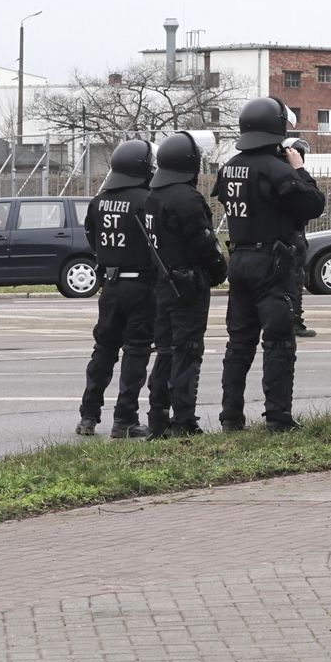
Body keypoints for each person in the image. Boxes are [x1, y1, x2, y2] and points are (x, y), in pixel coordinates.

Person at [216, 98, 325, 432]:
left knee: (238, 343)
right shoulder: (277, 168)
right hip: (272, 264)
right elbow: (313, 205)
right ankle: (278, 418)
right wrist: (300, 169)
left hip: (240, 259)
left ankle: (231, 416)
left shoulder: (230, 165)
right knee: (278, 341)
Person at [144, 130, 225, 439]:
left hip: (164, 284)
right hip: (188, 285)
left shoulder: (154, 195)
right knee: (187, 351)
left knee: (165, 350)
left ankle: (158, 417)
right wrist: (218, 269)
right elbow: (204, 242)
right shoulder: (185, 198)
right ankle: (184, 420)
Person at [76, 140, 159, 439]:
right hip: (140, 285)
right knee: (136, 352)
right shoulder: (147, 199)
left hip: (110, 287)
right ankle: (125, 420)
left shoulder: (99, 201)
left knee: (103, 350)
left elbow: (92, 237)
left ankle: (88, 416)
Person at [280, 135, 317, 340]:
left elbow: (314, 203)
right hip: (289, 237)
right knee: (290, 282)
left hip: (298, 236)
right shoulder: (284, 177)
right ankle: (291, 321)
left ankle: (295, 319)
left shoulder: (297, 176)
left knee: (297, 280)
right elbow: (313, 200)